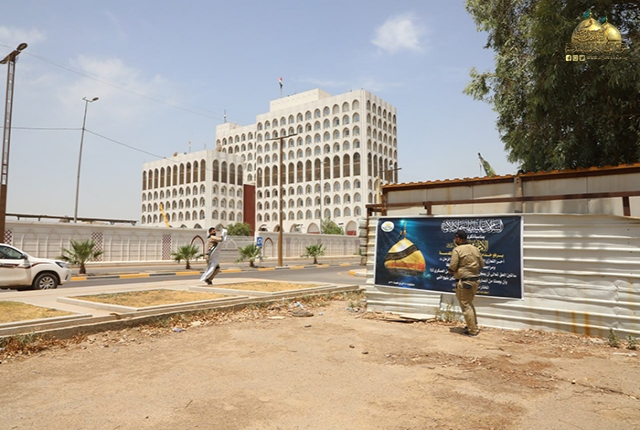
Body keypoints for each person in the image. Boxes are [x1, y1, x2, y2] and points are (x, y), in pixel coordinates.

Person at [448, 229, 484, 337]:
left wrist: (450, 270)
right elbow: (482, 264)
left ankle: (472, 331)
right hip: (475, 280)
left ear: (458, 239)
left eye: (455, 238)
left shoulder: (457, 250)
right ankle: (473, 325)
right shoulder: (475, 249)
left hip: (464, 281)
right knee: (469, 304)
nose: (455, 240)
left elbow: (453, 265)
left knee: (466, 306)